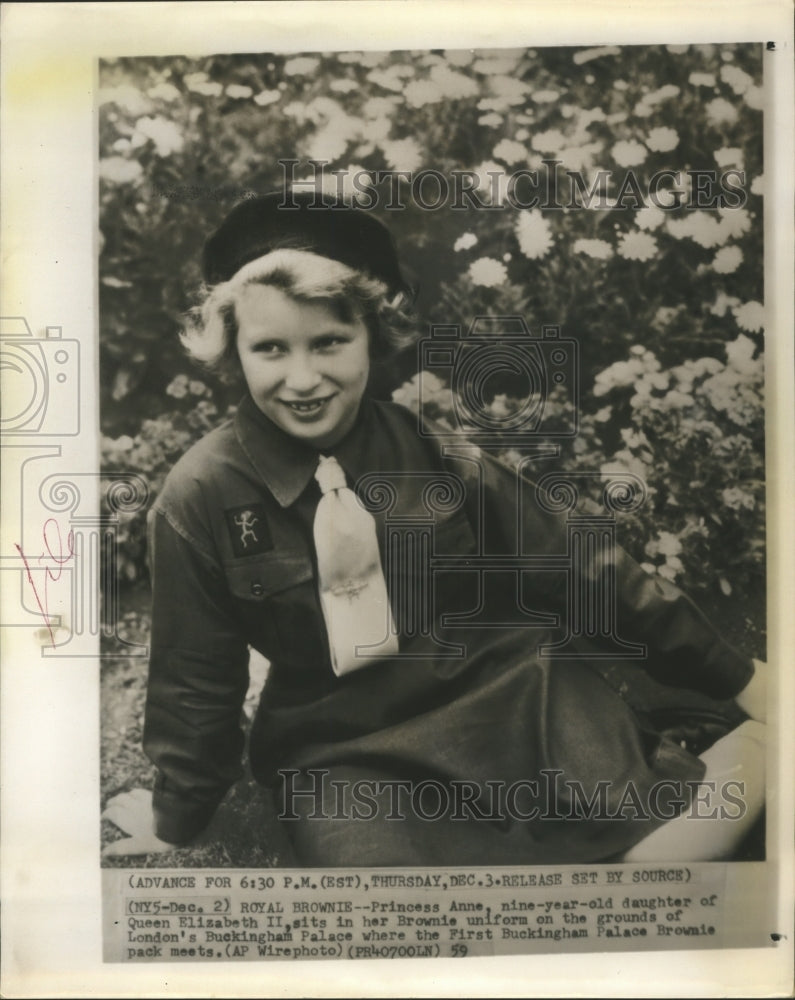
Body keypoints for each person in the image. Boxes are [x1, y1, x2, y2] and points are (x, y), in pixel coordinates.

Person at [102, 191, 767, 866]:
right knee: (390, 909)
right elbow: (194, 674)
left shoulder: (430, 448)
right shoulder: (200, 493)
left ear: (373, 337)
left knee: (664, 861)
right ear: (232, 350)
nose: (302, 379)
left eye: (330, 342)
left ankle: (755, 752)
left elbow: (572, 560)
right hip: (342, 745)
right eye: (270, 348)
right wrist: (177, 816)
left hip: (509, 692)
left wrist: (737, 678)